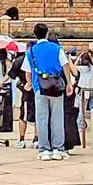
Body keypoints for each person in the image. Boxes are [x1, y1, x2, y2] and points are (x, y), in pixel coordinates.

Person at [24, 23, 71, 161]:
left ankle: (44, 149)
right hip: (56, 86)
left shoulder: (31, 51)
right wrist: (69, 83)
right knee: (57, 118)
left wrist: (30, 84)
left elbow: (27, 71)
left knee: (42, 119)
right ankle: (58, 149)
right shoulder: (56, 48)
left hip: (40, 87)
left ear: (35, 34)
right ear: (46, 33)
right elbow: (65, 65)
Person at [8, 43, 37, 149]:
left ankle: (21, 139)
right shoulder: (38, 58)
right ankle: (36, 139)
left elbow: (11, 75)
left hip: (27, 90)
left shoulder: (21, 60)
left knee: (23, 116)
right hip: (38, 90)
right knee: (38, 115)